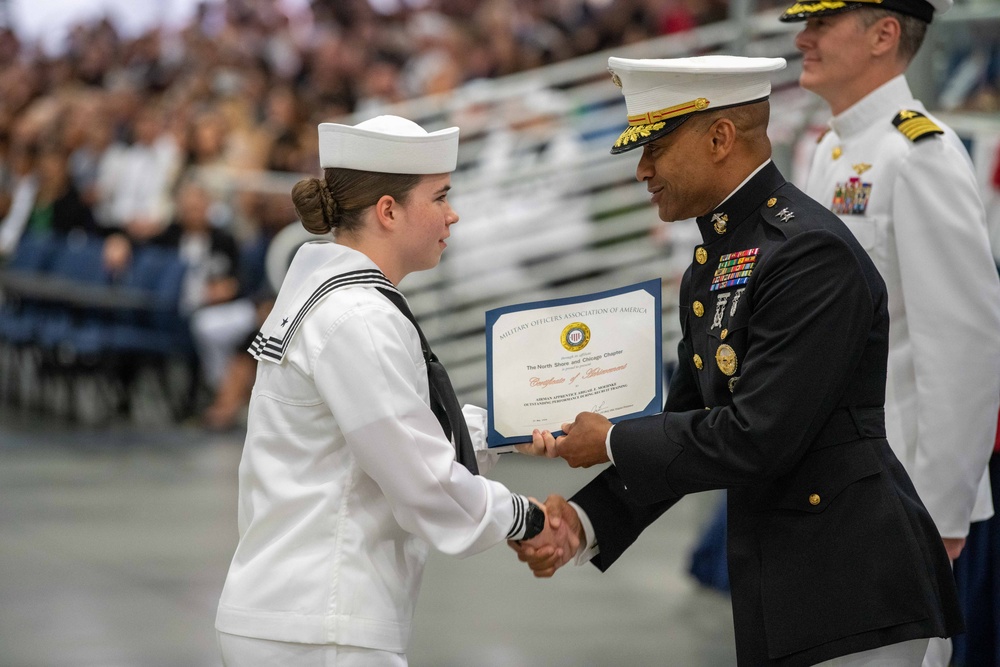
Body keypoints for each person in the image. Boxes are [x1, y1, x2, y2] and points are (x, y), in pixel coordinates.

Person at [510, 55, 964, 666]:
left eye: (656, 149)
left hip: (857, 590)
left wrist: (615, 440)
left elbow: (757, 436)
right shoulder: (722, 260)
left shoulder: (806, 254)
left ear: (720, 138)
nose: (643, 169)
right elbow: (687, 420)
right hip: (793, 588)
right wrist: (584, 521)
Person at [214, 115, 573, 666]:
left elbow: (391, 427)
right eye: (440, 196)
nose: (452, 214)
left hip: (300, 611)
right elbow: (422, 478)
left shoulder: (337, 294)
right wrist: (525, 517)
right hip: (323, 621)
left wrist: (508, 428)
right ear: (388, 210)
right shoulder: (357, 315)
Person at [780, 1, 1000, 663]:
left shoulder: (919, 154)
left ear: (884, 35)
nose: (803, 37)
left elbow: (962, 347)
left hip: (897, 493)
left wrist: (939, 513)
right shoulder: (832, 149)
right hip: (828, 481)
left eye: (822, 23)